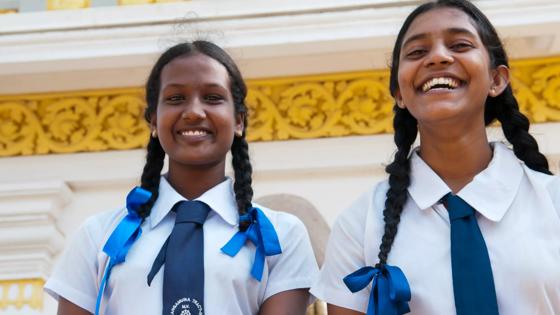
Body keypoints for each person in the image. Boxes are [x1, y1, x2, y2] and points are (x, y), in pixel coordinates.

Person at [311, 1, 560, 314]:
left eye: (460, 44)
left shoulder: (554, 202)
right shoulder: (360, 224)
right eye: (416, 52)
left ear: (497, 80)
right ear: (399, 93)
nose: (439, 57)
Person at [45, 40, 318, 315]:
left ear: (239, 121)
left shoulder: (281, 236)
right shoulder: (97, 235)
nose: (193, 112)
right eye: (176, 99)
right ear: (153, 121)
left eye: (212, 98)